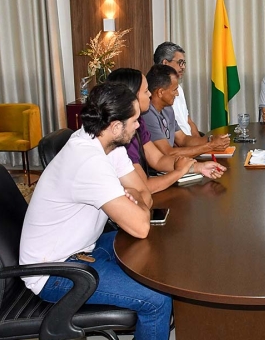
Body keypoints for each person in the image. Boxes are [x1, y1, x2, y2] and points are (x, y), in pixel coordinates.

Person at [19, 82, 173, 340]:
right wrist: (134, 202)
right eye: (134, 120)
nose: (138, 125)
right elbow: (140, 226)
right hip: (55, 270)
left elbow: (143, 192)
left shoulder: (108, 145)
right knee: (157, 299)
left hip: (84, 247)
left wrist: (135, 198)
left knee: (161, 245)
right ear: (115, 126)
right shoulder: (87, 160)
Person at [107, 68, 226, 193]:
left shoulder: (138, 122)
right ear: (130, 97)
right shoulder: (119, 135)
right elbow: (145, 187)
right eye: (146, 91)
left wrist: (198, 167)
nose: (149, 95)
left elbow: (158, 159)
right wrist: (180, 171)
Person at [142, 64, 230, 157]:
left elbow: (183, 140)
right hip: (161, 170)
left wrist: (211, 139)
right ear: (160, 92)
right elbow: (168, 153)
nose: (177, 94)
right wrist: (210, 146)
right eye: (174, 90)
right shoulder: (148, 114)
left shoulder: (168, 109)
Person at [154, 41, 201, 137]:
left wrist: (200, 144)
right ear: (165, 63)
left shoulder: (179, 88)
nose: (183, 67)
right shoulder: (157, 93)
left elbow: (188, 121)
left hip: (189, 142)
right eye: (180, 62)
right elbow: (171, 138)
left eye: (184, 63)